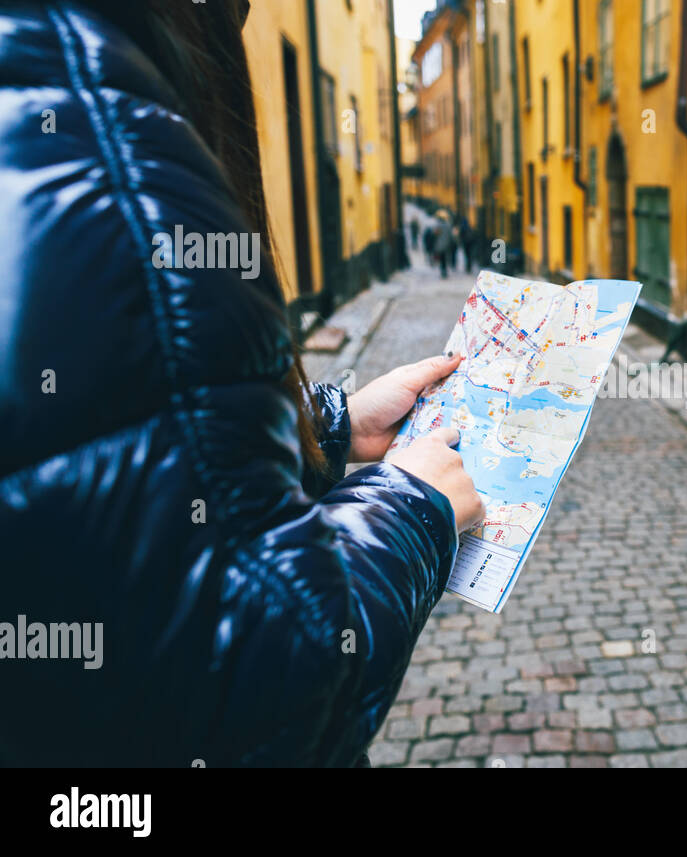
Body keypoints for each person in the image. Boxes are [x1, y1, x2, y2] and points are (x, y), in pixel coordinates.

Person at [0, 0, 484, 766]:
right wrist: (414, 508)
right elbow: (259, 688)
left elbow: (129, 487)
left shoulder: (42, 117)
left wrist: (333, 426)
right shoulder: (120, 173)